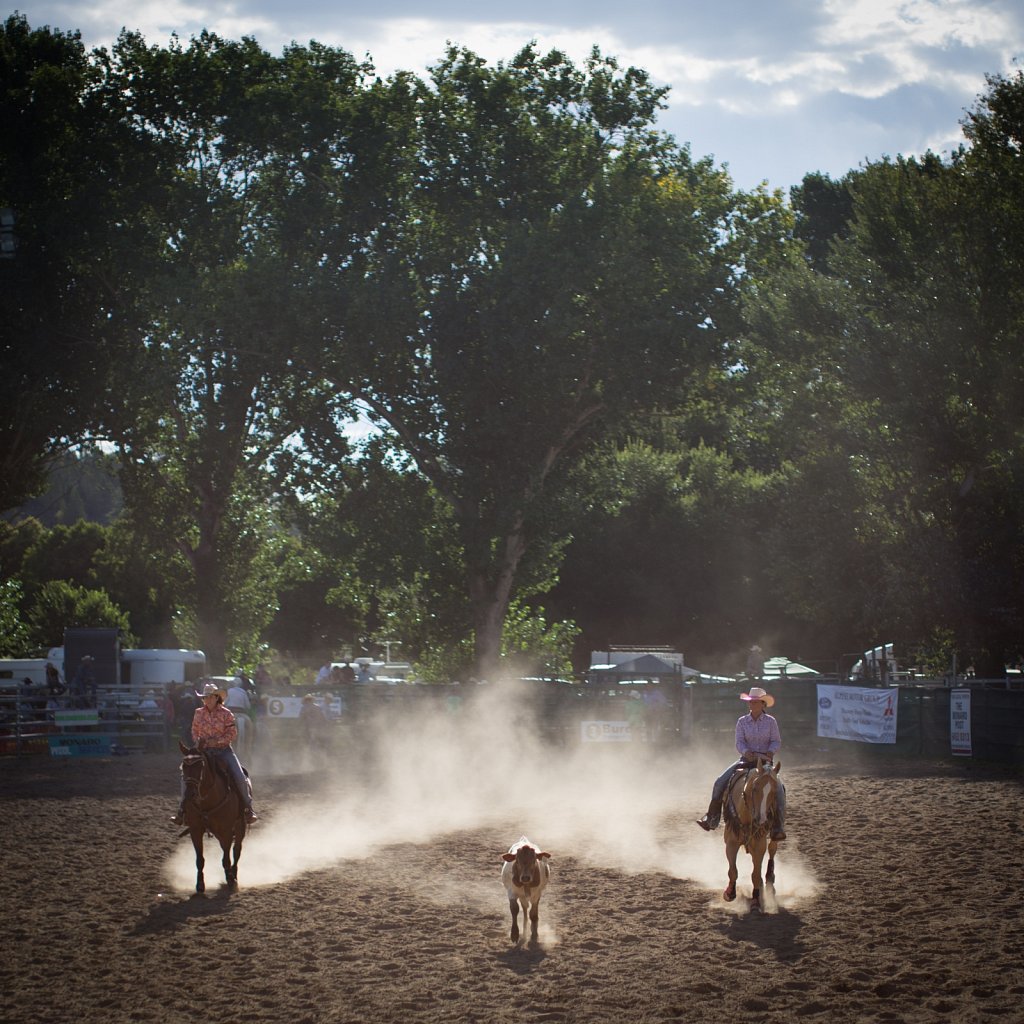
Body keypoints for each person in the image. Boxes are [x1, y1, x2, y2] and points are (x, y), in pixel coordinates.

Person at [696, 686, 786, 840]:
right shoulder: (742, 722)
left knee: (779, 789)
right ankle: (712, 818)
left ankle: (778, 826)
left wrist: (770, 751)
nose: (752, 705)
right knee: (719, 782)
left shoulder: (771, 722)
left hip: (765, 763)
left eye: (756, 702)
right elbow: (739, 742)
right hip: (745, 760)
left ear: (763, 704)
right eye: (751, 702)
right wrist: (746, 752)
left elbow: (776, 741)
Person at [171, 681, 258, 825]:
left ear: (217, 698)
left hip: (223, 751)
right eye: (205, 697)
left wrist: (216, 742)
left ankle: (248, 808)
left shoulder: (226, 713)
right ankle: (182, 810)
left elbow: (232, 733)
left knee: (239, 776)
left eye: (211, 697)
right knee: (186, 776)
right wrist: (201, 741)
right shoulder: (199, 713)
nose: (208, 700)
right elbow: (194, 730)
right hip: (204, 751)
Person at [225, 675, 253, 760]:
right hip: (242, 713)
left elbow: (225, 703)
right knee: (250, 727)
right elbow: (248, 706)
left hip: (231, 713)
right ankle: (247, 753)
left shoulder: (229, 691)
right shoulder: (243, 692)